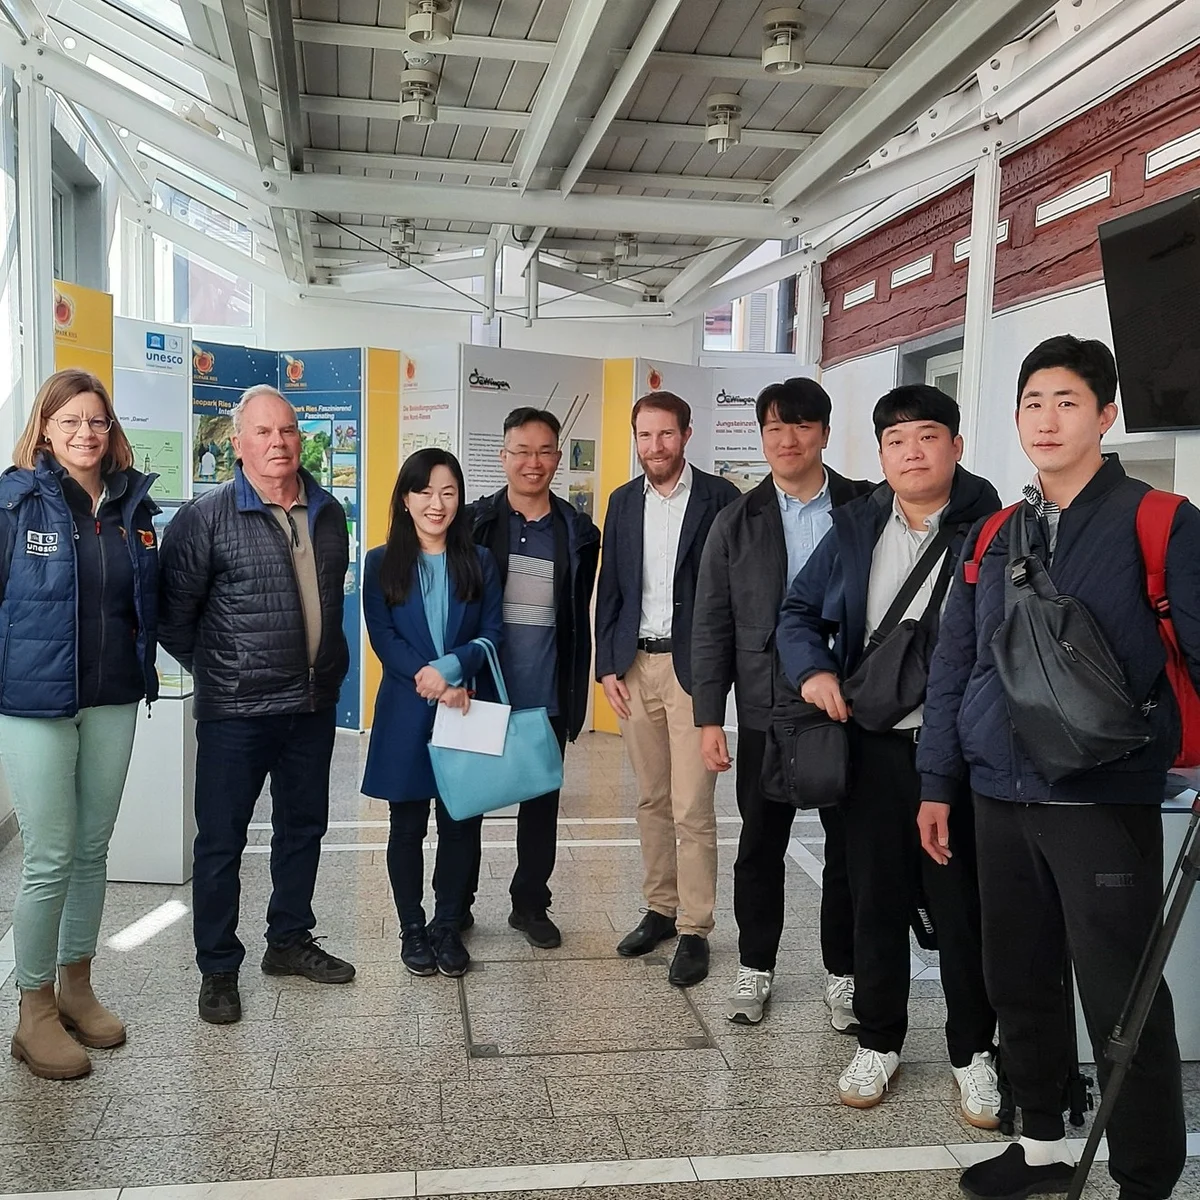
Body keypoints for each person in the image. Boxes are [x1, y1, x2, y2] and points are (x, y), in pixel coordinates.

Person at [918, 336, 1195, 1200]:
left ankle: (1144, 1176)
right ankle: (1039, 1141)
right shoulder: (995, 532)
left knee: (1121, 994)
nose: (1047, 419)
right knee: (1018, 977)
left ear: (1105, 415)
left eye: (1068, 401)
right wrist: (937, 781)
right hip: (999, 793)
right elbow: (956, 663)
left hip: (1101, 794)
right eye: (1033, 402)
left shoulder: (1160, 520)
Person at [777, 385, 1000, 1126]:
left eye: (928, 437)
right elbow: (797, 613)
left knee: (960, 907)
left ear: (956, 447)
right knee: (873, 899)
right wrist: (812, 672)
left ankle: (974, 1052)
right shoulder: (856, 524)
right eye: (896, 441)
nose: (912, 453)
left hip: (958, 753)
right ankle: (879, 1040)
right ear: (879, 455)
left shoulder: (993, 529)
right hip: (872, 747)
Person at [159, 384, 355, 1027]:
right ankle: (218, 968)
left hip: (311, 705)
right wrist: (226, 671)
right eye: (264, 432)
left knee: (304, 828)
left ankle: (289, 940)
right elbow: (174, 618)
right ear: (238, 444)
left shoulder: (328, 512)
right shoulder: (205, 518)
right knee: (221, 841)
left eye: (288, 430)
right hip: (236, 711)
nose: (278, 443)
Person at [691, 377, 874, 1028]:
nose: (787, 439)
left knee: (847, 848)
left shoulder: (865, 507)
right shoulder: (736, 521)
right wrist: (709, 716)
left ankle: (844, 975)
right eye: (774, 427)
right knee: (760, 845)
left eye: (800, 425)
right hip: (766, 708)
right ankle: (755, 965)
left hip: (849, 704)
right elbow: (711, 623)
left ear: (824, 432)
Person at [0, 369, 159, 1080]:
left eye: (97, 421)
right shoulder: (15, 501)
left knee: (93, 851)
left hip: (113, 695)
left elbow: (146, 601)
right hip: (33, 702)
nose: (86, 433)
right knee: (50, 855)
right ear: (45, 428)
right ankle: (33, 1009)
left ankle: (76, 986)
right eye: (70, 421)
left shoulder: (131, 505)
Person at [595, 391, 739, 987]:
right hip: (635, 666)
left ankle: (695, 928)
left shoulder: (721, 499)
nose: (655, 446)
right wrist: (607, 665)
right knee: (651, 799)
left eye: (666, 434)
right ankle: (660, 908)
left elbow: (731, 593)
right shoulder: (622, 501)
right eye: (645, 435)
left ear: (687, 434)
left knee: (691, 806)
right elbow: (611, 587)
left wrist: (720, 677)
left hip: (692, 669)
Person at [362, 449, 503, 978]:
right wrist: (431, 679)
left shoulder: (479, 560)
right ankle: (412, 927)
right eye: (424, 492)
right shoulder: (381, 562)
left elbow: (493, 633)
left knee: (460, 821)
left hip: (463, 706)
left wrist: (450, 671)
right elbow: (384, 637)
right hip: (407, 709)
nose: (436, 503)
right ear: (405, 499)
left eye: (448, 492)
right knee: (406, 825)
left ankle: (447, 925)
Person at [466, 407, 600, 948]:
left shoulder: (577, 532)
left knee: (541, 806)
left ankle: (530, 904)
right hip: (482, 691)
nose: (533, 462)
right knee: (467, 803)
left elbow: (576, 615)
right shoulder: (474, 523)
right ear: (503, 457)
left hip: (547, 692)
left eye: (544, 451)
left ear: (558, 457)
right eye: (521, 451)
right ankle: (456, 905)